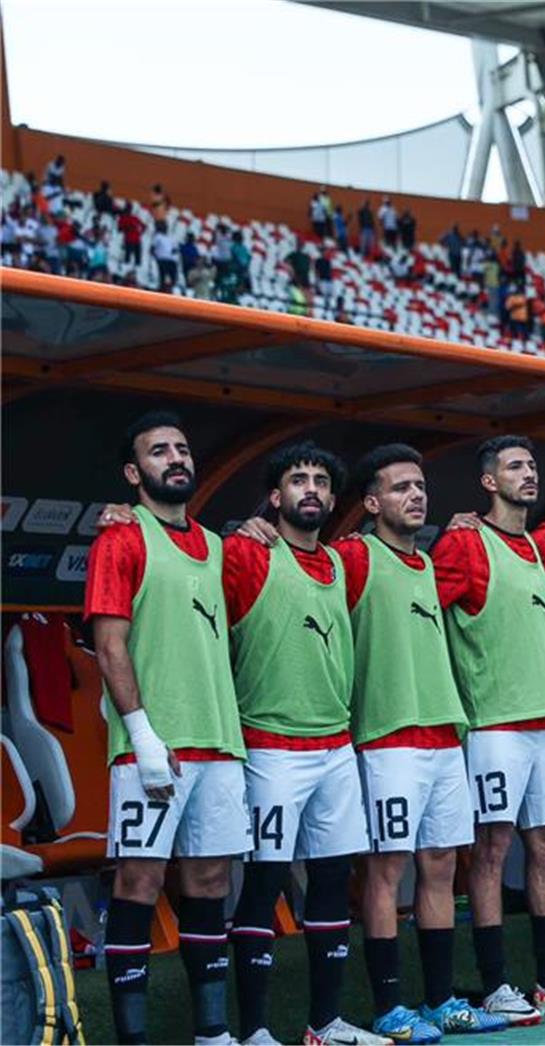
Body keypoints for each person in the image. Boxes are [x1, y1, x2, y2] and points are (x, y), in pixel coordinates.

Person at [433, 436, 545, 1024]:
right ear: (489, 481)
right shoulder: (464, 541)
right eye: (514, 467)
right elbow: (418, 610)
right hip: (495, 726)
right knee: (490, 851)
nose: (529, 474)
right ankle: (494, 986)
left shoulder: (538, 543)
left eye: (532, 466)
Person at [86, 411, 248, 1046]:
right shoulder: (120, 538)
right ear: (134, 473)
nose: (176, 458)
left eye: (182, 448)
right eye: (158, 451)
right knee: (140, 881)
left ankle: (212, 1032)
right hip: (153, 749)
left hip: (220, 742)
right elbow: (109, 647)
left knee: (211, 882)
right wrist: (142, 735)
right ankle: (133, 1039)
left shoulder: (216, 545)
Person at [340, 445, 505, 1039]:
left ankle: (440, 1000)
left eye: (420, 486)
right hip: (387, 738)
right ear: (371, 502)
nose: (415, 496)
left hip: (443, 734)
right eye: (400, 487)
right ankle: (389, 1006)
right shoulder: (353, 556)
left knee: (440, 866)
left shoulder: (431, 565)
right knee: (386, 870)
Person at [225, 442, 381, 1045]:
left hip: (335, 746)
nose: (310, 488)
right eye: (298, 479)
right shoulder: (248, 553)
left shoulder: (342, 562)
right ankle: (254, 1032)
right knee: (264, 885)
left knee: (333, 880)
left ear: (335, 499)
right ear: (275, 495)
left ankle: (325, 1024)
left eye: (320, 480)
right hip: (271, 745)